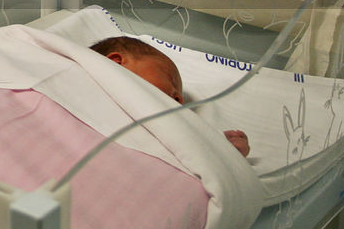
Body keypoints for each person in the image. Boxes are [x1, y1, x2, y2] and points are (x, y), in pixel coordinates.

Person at [91, 36, 250, 157]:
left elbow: (187, 143)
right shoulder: (82, 81)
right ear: (116, 63)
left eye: (178, 95)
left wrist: (221, 146)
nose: (179, 100)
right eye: (171, 80)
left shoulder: (156, 121)